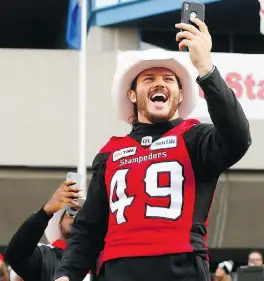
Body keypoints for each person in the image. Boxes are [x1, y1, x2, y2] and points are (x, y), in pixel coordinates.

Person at [53, 17, 251, 281]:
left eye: (168, 79)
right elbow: (88, 230)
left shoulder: (195, 137)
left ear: (180, 95)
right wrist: (66, 274)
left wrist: (206, 68)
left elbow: (238, 138)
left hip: (181, 270)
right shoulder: (110, 152)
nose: (159, 83)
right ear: (132, 95)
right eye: (148, 78)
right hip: (117, 272)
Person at [5, 180, 90, 281]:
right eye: (72, 210)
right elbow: (16, 255)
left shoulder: (98, 262)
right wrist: (46, 211)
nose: (77, 217)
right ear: (60, 223)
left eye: (83, 214)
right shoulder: (43, 256)